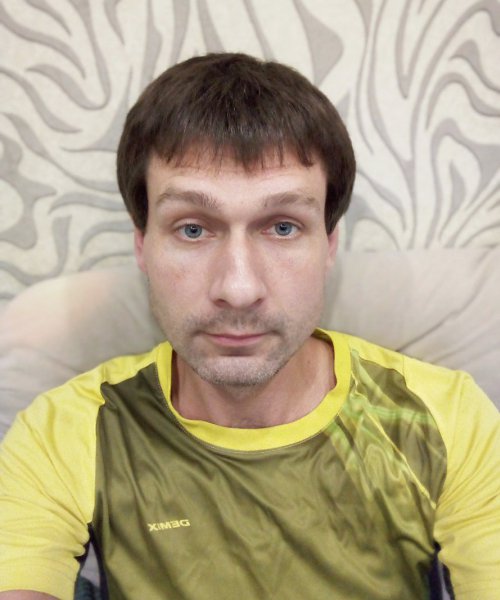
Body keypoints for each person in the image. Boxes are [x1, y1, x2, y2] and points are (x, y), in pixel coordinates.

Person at [0, 52, 498, 600]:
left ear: (329, 244)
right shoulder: (68, 430)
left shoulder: (446, 420)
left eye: (282, 227)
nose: (238, 289)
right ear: (142, 244)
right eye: (192, 229)